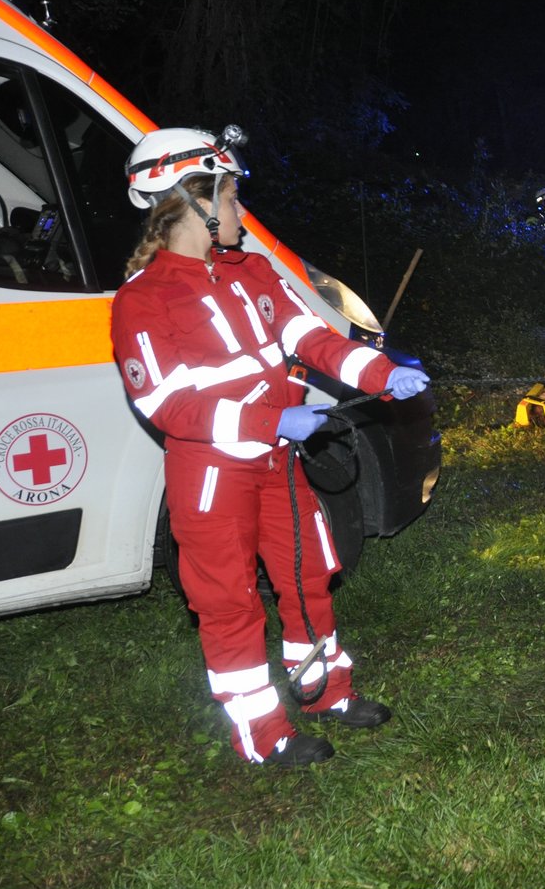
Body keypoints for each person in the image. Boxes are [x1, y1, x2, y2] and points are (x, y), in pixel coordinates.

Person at [109, 126, 431, 767]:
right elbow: (166, 404)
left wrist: (379, 374)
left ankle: (323, 690)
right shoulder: (141, 301)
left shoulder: (252, 271)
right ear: (192, 203)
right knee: (229, 603)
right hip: (211, 477)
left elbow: (313, 338)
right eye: (230, 198)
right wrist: (270, 423)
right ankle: (263, 734)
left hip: (277, 467)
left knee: (309, 575)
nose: (238, 213)